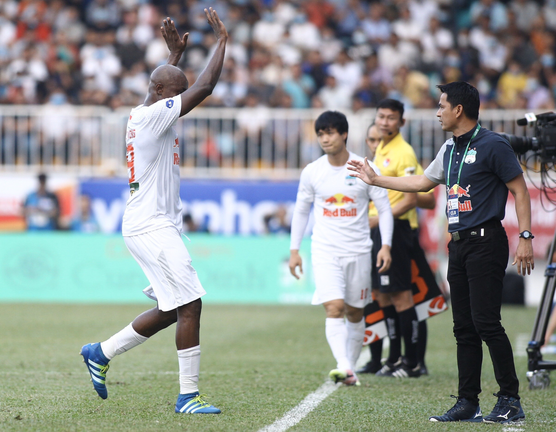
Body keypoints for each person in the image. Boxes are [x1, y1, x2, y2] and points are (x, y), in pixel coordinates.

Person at [348, 81, 533, 424]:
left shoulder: (494, 144)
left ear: (458, 110)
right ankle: (467, 402)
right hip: (458, 244)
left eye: (442, 105)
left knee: (486, 323)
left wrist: (525, 237)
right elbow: (421, 183)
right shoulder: (449, 148)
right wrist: (375, 180)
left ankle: (510, 399)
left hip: (486, 242)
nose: (437, 112)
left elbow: (520, 191)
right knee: (463, 327)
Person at [80, 10, 228, 414]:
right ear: (164, 94)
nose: (181, 102)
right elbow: (206, 86)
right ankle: (188, 397)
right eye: (176, 95)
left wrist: (174, 57)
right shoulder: (152, 117)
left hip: (149, 224)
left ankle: (101, 352)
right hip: (151, 226)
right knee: (191, 304)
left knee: (172, 308)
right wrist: (221, 41)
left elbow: (160, 86)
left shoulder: (143, 111)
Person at [289, 110, 394, 386]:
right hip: (325, 251)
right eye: (320, 134)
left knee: (355, 312)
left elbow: (384, 209)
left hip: (359, 251)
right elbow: (301, 211)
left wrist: (385, 245)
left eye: (330, 133)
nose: (325, 139)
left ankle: (349, 367)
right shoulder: (312, 171)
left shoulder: (364, 168)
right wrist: (294, 250)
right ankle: (345, 366)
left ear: (344, 134)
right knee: (334, 307)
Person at [357, 120, 437, 377]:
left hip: (401, 233)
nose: (375, 144)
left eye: (378, 139)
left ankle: (415, 360)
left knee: (407, 298)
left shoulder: (402, 156)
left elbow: (427, 198)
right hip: (372, 235)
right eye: (371, 140)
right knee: (377, 295)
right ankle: (381, 359)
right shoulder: (367, 167)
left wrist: (396, 196)